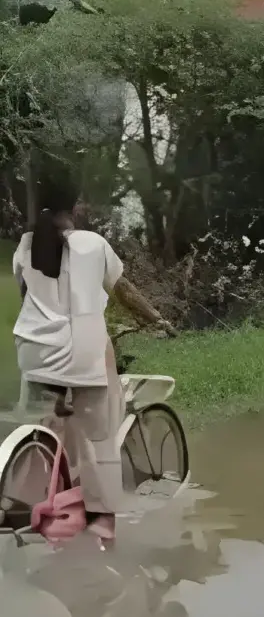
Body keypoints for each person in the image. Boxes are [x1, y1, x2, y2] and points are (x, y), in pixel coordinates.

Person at [12, 174, 175, 544]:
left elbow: (28, 298)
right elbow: (125, 292)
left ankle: (35, 486)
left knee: (54, 417)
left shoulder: (24, 245)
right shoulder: (92, 244)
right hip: (80, 353)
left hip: (33, 353)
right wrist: (157, 320)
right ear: (76, 205)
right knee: (101, 434)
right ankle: (102, 523)